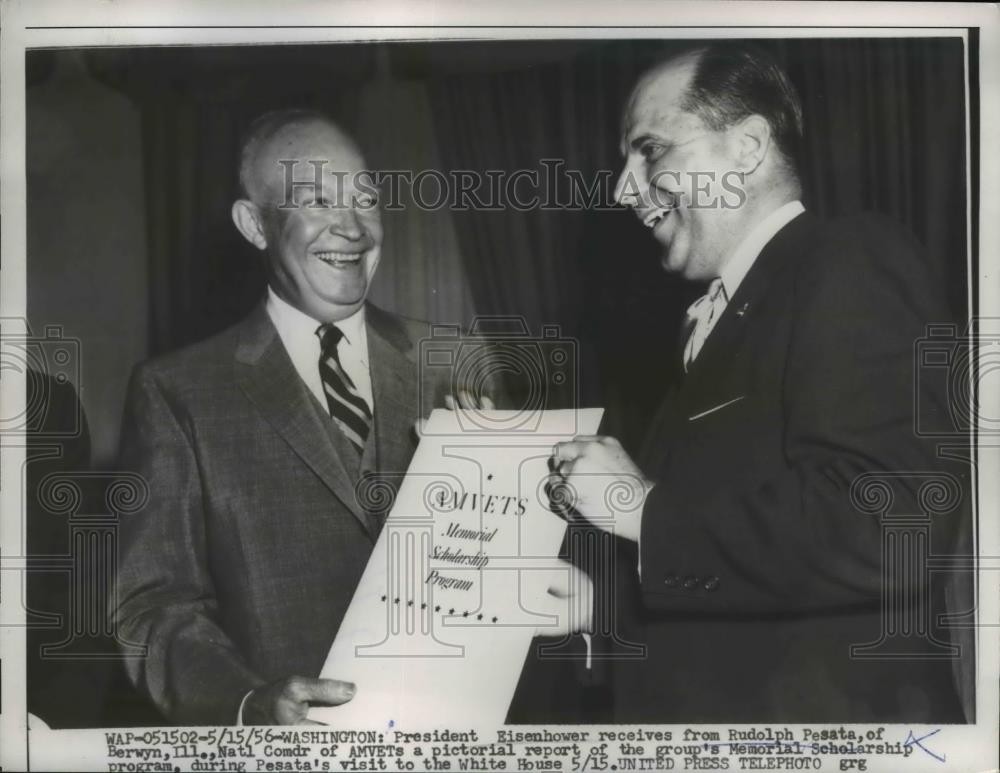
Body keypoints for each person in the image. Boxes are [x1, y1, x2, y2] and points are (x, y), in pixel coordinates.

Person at [552, 42, 969, 722]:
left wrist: (637, 508)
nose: (624, 187)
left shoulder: (847, 260)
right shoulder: (713, 326)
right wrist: (598, 608)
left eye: (650, 150)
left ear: (746, 147)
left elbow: (893, 524)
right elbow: (747, 577)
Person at [113, 110, 491, 725]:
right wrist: (245, 701)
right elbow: (154, 609)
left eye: (365, 197)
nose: (352, 228)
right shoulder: (176, 392)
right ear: (254, 224)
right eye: (315, 200)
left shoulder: (457, 362)